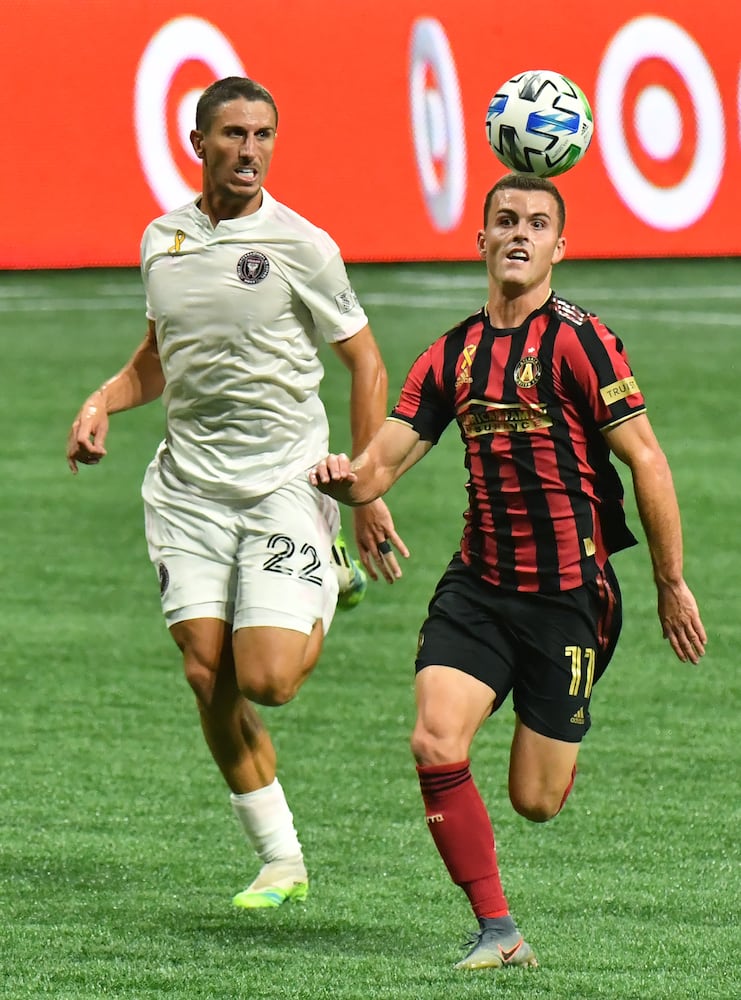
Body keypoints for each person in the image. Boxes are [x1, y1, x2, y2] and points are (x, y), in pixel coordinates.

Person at [310, 172, 706, 969]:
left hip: (570, 597)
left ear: (560, 247)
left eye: (535, 224)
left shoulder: (578, 341)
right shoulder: (451, 353)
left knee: (534, 801)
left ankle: (554, 718)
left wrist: (669, 582)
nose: (518, 234)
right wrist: (341, 479)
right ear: (481, 241)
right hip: (479, 588)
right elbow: (379, 465)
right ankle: (499, 929)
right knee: (432, 738)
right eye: (503, 221)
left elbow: (647, 461)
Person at [66, 76, 407, 909]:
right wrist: (102, 400)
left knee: (268, 681)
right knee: (203, 672)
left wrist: (363, 487)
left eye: (262, 135)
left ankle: (325, 564)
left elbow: (364, 360)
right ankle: (280, 857)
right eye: (233, 134)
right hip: (188, 490)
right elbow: (160, 354)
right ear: (199, 143)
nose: (249, 150)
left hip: (284, 484)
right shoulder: (162, 239)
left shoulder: (301, 244)